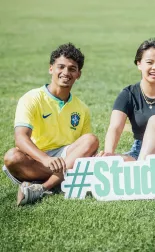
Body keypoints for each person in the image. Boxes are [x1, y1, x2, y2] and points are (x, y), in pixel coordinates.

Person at [2, 43, 99, 206]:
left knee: (91, 139)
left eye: (72, 69)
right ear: (51, 69)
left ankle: (42, 187)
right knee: (12, 157)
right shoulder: (32, 98)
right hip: (37, 158)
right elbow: (20, 138)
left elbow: (87, 148)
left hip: (66, 156)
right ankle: (62, 180)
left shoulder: (82, 108)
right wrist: (46, 159)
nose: (66, 73)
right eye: (61, 67)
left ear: (78, 74)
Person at [97, 38, 155, 161]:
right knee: (115, 160)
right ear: (139, 64)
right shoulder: (128, 94)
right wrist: (108, 154)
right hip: (139, 151)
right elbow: (115, 128)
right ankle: (142, 167)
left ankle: (141, 169)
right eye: (149, 62)